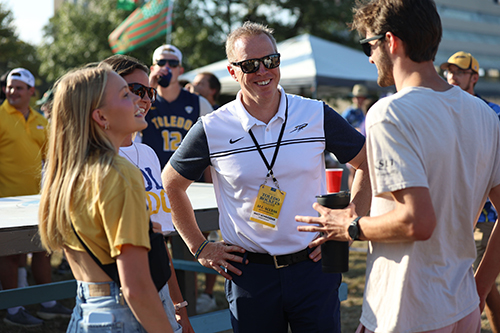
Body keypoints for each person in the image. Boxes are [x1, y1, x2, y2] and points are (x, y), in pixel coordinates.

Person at [296, 1, 500, 332]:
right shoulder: (483, 114)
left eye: (368, 45)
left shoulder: (389, 113)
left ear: (391, 42)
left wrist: (348, 226)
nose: (369, 57)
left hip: (410, 310)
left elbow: (417, 221)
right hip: (458, 304)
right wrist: (476, 293)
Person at [162, 21, 371, 333]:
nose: (262, 71)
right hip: (249, 275)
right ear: (232, 72)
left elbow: (367, 162)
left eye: (270, 61)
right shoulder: (212, 127)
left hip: (312, 268)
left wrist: (348, 220)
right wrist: (200, 246)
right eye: (250, 65)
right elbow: (172, 184)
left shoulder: (315, 114)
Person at [38, 64, 174, 333]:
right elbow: (136, 288)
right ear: (101, 117)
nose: (140, 100)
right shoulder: (119, 174)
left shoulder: (70, 171)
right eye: (126, 94)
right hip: (122, 315)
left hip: (85, 312)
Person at [101, 54, 194, 332]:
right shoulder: (99, 163)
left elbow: (159, 246)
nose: (145, 99)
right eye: (135, 90)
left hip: (158, 291)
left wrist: (178, 308)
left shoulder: (148, 154)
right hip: (119, 297)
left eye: (149, 92)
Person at [0, 68, 71, 327]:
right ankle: (13, 309)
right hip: (4, 204)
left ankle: (47, 304)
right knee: (9, 256)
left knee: (42, 250)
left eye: (19, 87)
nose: (12, 91)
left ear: (31, 91)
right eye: (9, 87)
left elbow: (51, 160)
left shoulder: (41, 120)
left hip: (35, 203)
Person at [440, 51, 500, 333]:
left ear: (474, 77)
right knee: (478, 285)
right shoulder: (445, 111)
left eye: (460, 72)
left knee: (479, 285)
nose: (452, 76)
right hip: (458, 212)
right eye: (449, 71)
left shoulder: (492, 113)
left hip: (489, 212)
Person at [142, 44, 213, 169]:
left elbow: (213, 145)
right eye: (161, 62)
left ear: (180, 70)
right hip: (152, 175)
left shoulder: (199, 103)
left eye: (173, 64)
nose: (166, 67)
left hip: (189, 179)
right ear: (153, 69)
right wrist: (147, 89)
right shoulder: (144, 101)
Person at [189, 71, 222, 313]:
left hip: (209, 189)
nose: (194, 86)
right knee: (193, 243)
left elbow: (212, 159)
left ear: (212, 90)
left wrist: (212, 189)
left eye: (200, 83)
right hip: (188, 189)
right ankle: (187, 293)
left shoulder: (218, 115)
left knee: (212, 242)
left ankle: (207, 294)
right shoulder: (188, 106)